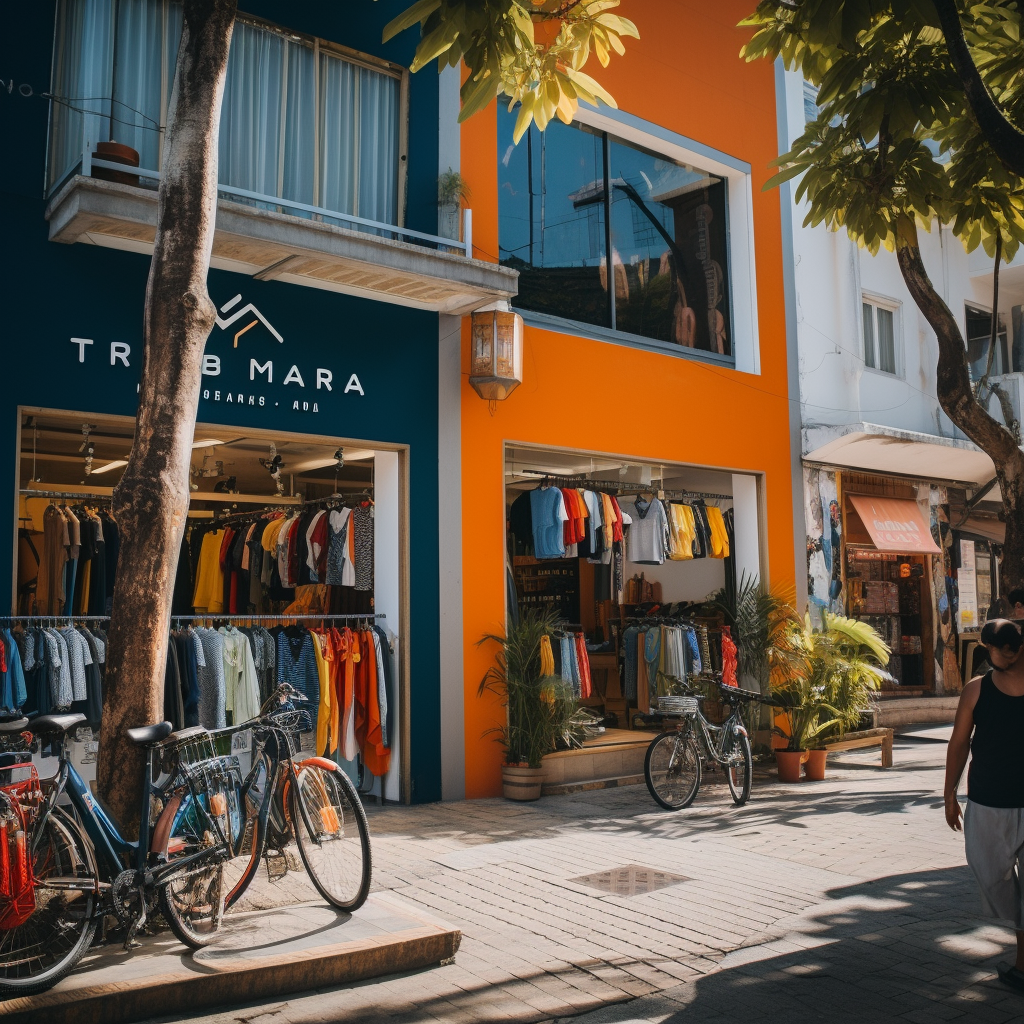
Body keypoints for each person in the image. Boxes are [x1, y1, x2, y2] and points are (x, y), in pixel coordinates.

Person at [945, 618, 1024, 991]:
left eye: (997, 651)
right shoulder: (976, 690)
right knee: (989, 874)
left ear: (1016, 649)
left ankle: (1022, 964)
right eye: (988, 649)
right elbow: (958, 743)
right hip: (988, 800)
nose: (991, 656)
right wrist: (949, 793)